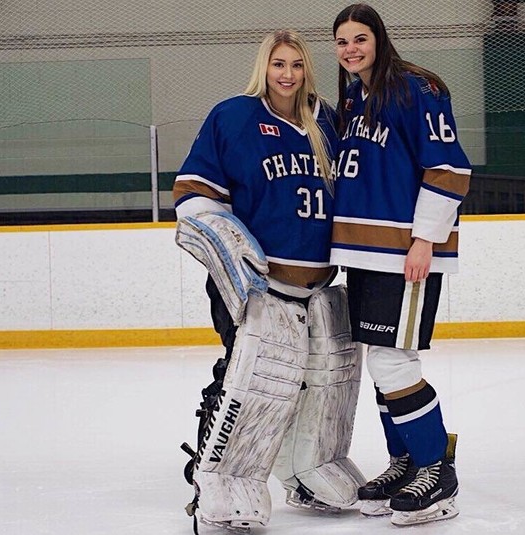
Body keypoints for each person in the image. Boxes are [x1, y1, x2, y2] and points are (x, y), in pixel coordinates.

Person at [173, 29, 365, 532]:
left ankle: (311, 467)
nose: (288, 74)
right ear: (265, 67)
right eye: (279, 64)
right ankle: (219, 474)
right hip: (257, 285)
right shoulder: (234, 117)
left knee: (325, 378)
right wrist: (226, 245)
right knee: (255, 378)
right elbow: (194, 194)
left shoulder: (326, 120)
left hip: (318, 286)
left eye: (297, 65)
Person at [331, 4, 472, 527]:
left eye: (359, 38)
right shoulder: (354, 97)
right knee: (381, 363)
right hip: (364, 254)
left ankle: (437, 470)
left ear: (379, 39)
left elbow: (449, 168)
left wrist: (424, 240)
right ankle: (406, 461)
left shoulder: (417, 89)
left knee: (394, 363)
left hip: (404, 253)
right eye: (342, 41)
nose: (351, 49)